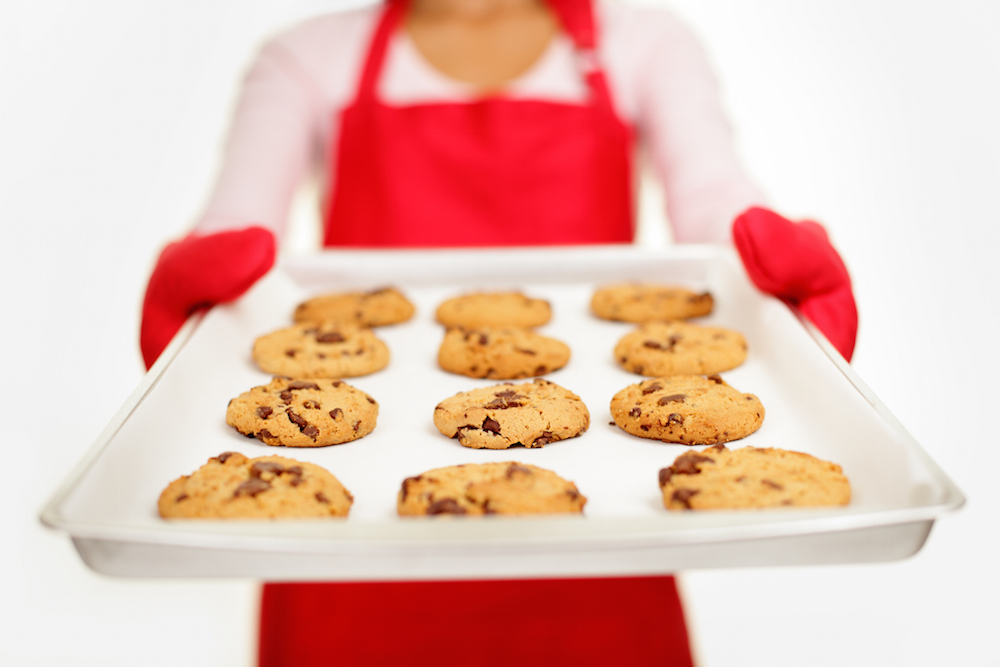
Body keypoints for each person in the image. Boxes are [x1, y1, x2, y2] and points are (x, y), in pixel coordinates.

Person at [140, 0, 858, 663]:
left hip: (597, 551)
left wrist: (771, 286)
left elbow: (714, 206)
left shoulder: (643, 43)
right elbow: (238, 233)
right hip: (348, 568)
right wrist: (200, 306)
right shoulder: (309, 56)